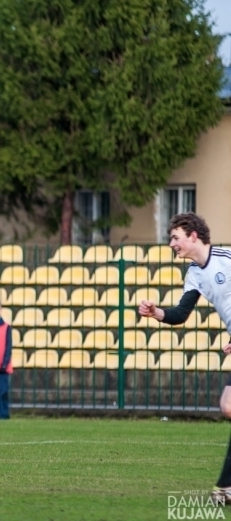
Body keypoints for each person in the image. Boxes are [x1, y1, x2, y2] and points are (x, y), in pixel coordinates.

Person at [137, 212, 231, 503]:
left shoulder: (226, 259)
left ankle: (227, 487)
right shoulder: (194, 274)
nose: (171, 243)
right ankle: (227, 487)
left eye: (175, 237)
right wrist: (156, 313)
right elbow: (179, 315)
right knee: (229, 406)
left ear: (193, 235)